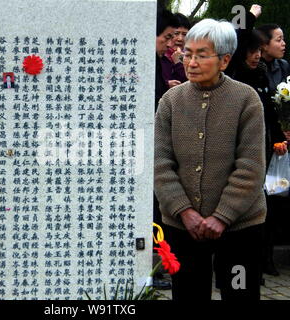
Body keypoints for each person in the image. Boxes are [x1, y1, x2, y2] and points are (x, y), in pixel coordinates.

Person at [154, 18, 267, 300]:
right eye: (187, 53)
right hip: (184, 225)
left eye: (201, 55)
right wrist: (184, 210)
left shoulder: (246, 99)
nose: (190, 62)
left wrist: (222, 216)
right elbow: (160, 162)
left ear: (225, 60)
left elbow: (251, 166)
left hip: (239, 225)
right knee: (189, 293)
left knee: (239, 291)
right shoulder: (171, 101)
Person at [227, 4, 288, 278]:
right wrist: (249, 16)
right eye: (252, 52)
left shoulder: (262, 75)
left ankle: (262, 261)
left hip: (263, 152)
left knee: (264, 208)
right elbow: (237, 37)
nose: (255, 56)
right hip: (237, 153)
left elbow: (270, 114)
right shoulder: (235, 78)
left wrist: (278, 138)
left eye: (258, 52)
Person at [154, 6, 179, 291]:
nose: (171, 43)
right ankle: (156, 268)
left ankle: (160, 266)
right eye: (168, 37)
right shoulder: (148, 61)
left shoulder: (161, 61)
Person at [161, 13, 190, 89]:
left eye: (184, 34)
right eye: (176, 33)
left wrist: (179, 62)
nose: (180, 38)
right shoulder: (159, 55)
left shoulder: (191, 58)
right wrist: (166, 84)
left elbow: (190, 83)